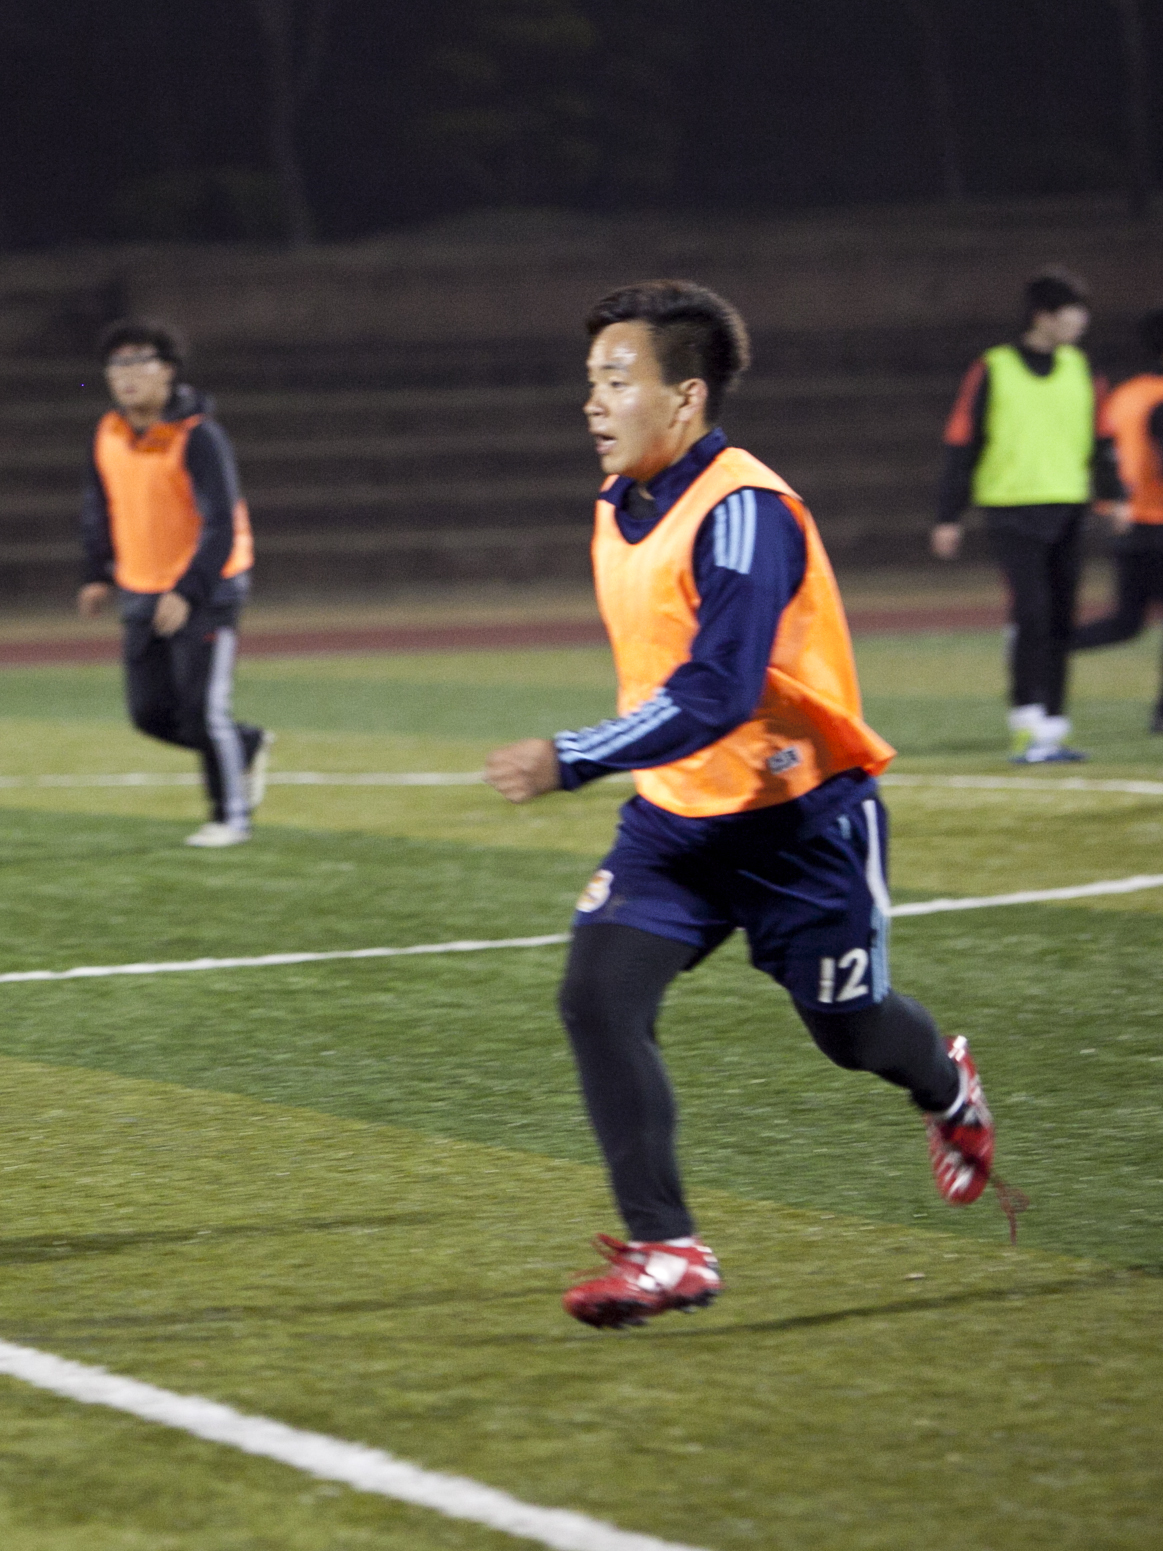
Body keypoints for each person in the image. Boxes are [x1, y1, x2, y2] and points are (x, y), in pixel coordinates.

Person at [485, 280, 1006, 1331]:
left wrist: (572, 755)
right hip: (675, 826)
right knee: (596, 999)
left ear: (683, 399)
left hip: (797, 826)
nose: (592, 403)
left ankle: (947, 1093)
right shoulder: (617, 501)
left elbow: (715, 691)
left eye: (616, 381)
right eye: (588, 381)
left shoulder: (741, 511)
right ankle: (667, 1248)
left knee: (850, 1032)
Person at [78, 319, 271, 847]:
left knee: (203, 710)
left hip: (206, 591)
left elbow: (221, 525)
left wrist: (187, 591)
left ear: (168, 370)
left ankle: (231, 817)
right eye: (117, 363)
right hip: (140, 588)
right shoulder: (109, 432)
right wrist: (97, 573)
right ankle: (246, 744)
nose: (127, 374)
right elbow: (101, 507)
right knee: (149, 714)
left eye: (140, 360)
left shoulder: (198, 435)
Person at [931, 269, 1127, 763]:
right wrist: (948, 515)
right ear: (1043, 316)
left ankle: (1054, 727)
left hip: (1068, 507)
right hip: (1011, 509)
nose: (1079, 322)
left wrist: (1115, 496)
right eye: (1070, 313)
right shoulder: (993, 368)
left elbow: (1103, 442)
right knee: (1033, 613)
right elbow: (962, 443)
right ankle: (1026, 721)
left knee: (1061, 617)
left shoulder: (1082, 369)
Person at [1071, 309, 1163, 731]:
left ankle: (1047, 646)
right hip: (1156, 521)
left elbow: (1102, 453)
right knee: (1128, 622)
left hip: (1129, 525)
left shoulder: (1125, 395)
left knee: (1127, 622)